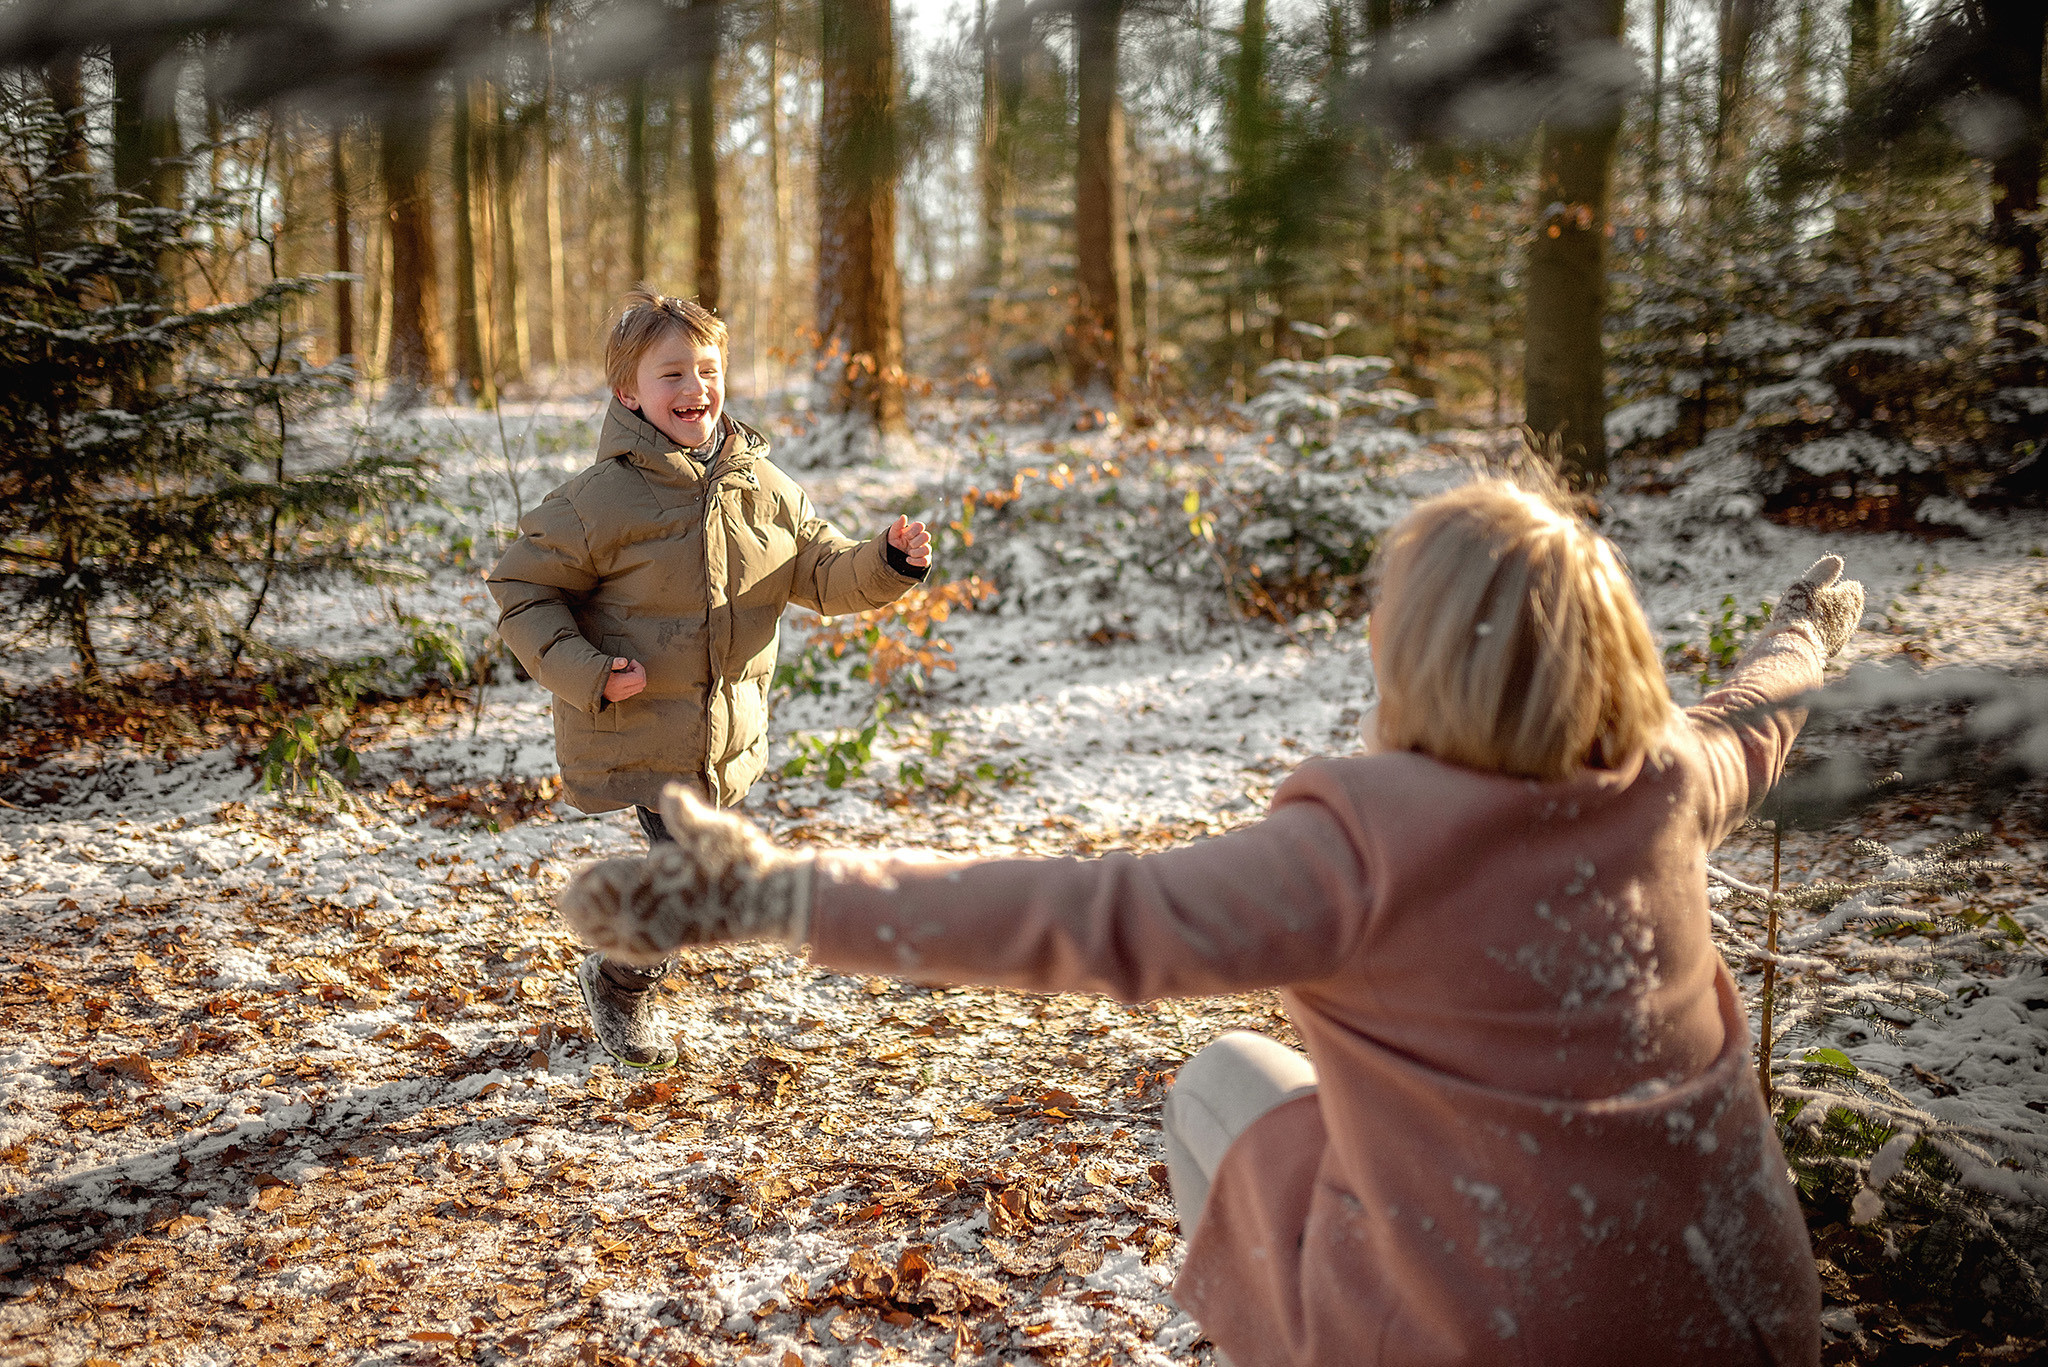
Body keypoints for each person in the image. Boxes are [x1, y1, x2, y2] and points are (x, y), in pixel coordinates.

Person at [554, 476, 1857, 1366]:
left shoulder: (1362, 849)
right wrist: (1809, 632)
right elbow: (1760, 714)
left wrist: (785, 893)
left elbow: (1084, 913)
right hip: (1747, 1309)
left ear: (1411, 660)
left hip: (1504, 1338)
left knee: (1224, 1090)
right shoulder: (1668, 780)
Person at [488, 287, 932, 1071]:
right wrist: (586, 672)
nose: (695, 388)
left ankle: (628, 962)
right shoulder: (600, 501)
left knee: (696, 882)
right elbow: (521, 590)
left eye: (706, 367)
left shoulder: (761, 484)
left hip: (721, 737)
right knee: (695, 881)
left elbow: (824, 574)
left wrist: (886, 561)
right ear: (628, 393)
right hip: (640, 726)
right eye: (671, 375)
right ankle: (622, 980)